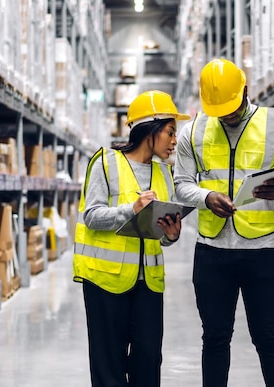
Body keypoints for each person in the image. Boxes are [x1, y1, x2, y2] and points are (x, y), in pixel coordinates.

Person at [174, 58, 274, 386]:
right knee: (215, 339)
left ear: (246, 91)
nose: (226, 115)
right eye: (219, 110)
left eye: (231, 107)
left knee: (268, 338)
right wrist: (206, 197)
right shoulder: (192, 132)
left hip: (263, 251)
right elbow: (181, 184)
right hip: (212, 251)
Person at [73, 90, 191, 387]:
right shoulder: (105, 162)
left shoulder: (164, 174)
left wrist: (171, 236)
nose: (174, 140)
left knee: (149, 360)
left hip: (148, 283)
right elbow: (92, 215)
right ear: (149, 130)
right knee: (108, 363)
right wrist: (131, 209)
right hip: (105, 280)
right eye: (169, 132)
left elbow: (158, 233)